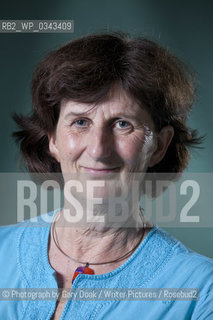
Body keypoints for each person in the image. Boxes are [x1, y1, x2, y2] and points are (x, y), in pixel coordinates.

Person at [0, 32, 212, 320]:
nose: (99, 149)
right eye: (80, 122)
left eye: (123, 124)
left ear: (159, 146)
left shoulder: (200, 292)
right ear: (53, 139)